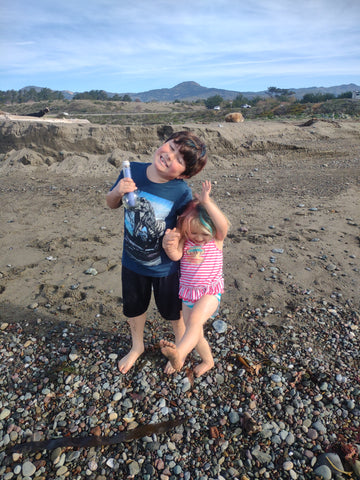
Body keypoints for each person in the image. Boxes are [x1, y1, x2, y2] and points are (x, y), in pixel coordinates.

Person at [106, 131, 207, 374]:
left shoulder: (181, 192)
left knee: (174, 313)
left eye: (179, 159)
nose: (169, 156)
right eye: (171, 147)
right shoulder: (134, 172)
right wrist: (118, 190)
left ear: (183, 173)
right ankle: (137, 346)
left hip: (166, 269)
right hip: (132, 261)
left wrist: (176, 243)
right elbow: (111, 203)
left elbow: (188, 230)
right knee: (134, 308)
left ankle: (180, 351)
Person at [160, 180, 229, 377]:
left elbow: (222, 224)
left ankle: (178, 355)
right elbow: (175, 256)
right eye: (194, 233)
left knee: (195, 321)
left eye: (204, 234)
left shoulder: (216, 239)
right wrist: (169, 245)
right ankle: (208, 361)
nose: (199, 238)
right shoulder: (187, 241)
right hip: (188, 293)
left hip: (209, 291)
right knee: (195, 331)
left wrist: (206, 202)